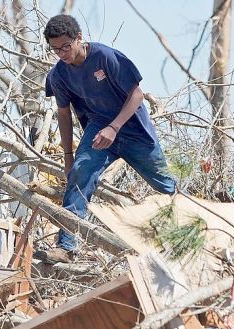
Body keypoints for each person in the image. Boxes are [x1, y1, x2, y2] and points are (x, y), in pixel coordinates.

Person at [39, 15, 176, 264]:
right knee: (80, 172)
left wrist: (115, 127)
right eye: (55, 49)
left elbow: (137, 95)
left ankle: (189, 233)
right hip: (99, 129)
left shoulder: (105, 57)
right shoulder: (59, 75)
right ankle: (67, 246)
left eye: (66, 47)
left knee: (166, 186)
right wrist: (69, 157)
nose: (62, 54)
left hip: (133, 128)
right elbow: (63, 113)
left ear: (79, 38)